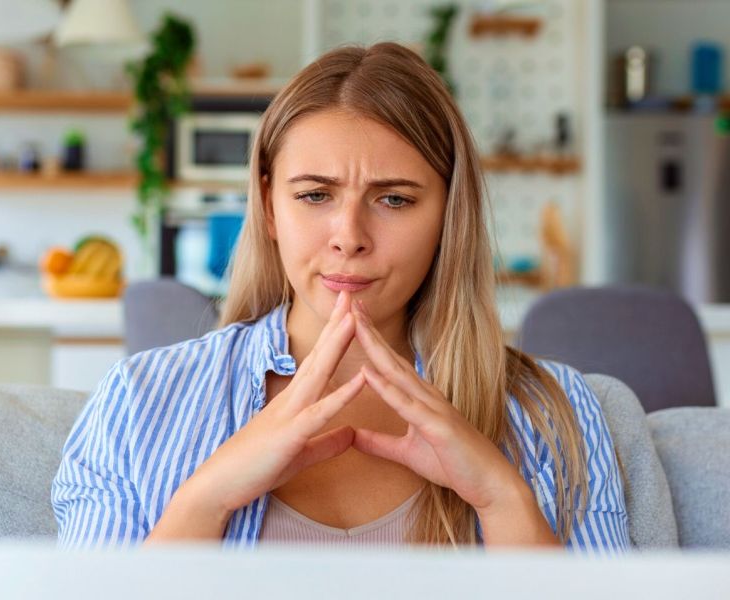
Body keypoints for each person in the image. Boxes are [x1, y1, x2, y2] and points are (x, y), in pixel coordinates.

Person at [51, 42, 629, 551]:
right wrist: (206, 499)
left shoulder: (555, 416)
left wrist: (503, 498)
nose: (349, 237)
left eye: (395, 200)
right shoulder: (137, 405)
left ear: (449, 216)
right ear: (269, 204)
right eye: (314, 195)